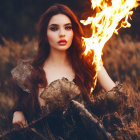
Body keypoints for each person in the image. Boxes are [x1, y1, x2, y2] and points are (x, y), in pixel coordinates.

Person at [11, 3, 116, 139]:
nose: (62, 34)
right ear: (45, 33)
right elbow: (21, 105)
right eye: (54, 29)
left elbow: (118, 99)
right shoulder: (28, 71)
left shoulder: (88, 66)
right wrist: (17, 111)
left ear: (74, 32)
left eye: (67, 28)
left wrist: (97, 66)